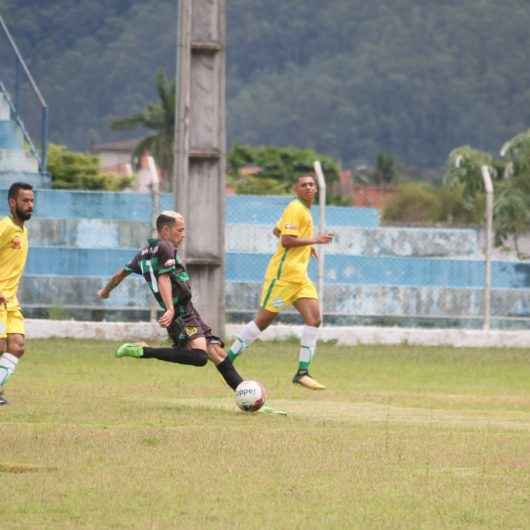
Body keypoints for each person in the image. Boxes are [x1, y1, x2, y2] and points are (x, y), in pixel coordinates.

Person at [97, 210, 244, 392]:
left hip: (187, 311)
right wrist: (170, 309)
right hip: (180, 313)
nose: (183, 235)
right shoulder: (166, 247)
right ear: (165, 231)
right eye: (179, 231)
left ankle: (246, 394)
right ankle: (144, 351)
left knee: (216, 352)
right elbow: (163, 278)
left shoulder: (143, 253)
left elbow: (120, 274)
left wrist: (105, 291)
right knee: (199, 357)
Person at [227, 174, 334, 390]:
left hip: (299, 278)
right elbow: (286, 240)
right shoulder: (296, 208)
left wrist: (306, 246)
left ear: (317, 189)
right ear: (296, 189)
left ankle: (302, 372)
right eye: (304, 185)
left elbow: (278, 230)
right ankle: (226, 361)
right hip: (283, 277)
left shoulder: (303, 210)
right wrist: (314, 240)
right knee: (262, 322)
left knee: (314, 319)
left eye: (312, 184)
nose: (309, 187)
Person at [0, 182, 35, 406]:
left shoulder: (23, 230)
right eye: (25, 200)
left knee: (17, 347)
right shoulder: (4, 227)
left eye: (32, 201)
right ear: (13, 202)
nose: (30, 205)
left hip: (10, 300)